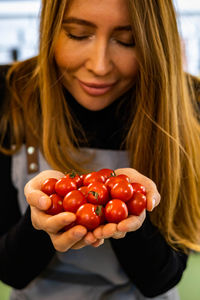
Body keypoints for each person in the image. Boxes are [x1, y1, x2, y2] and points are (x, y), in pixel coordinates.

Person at [0, 0, 200, 299]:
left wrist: (133, 219)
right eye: (78, 35)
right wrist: (38, 222)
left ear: (154, 42)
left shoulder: (185, 103)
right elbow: (10, 271)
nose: (99, 65)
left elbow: (161, 279)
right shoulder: (11, 91)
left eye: (127, 41)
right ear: (51, 30)